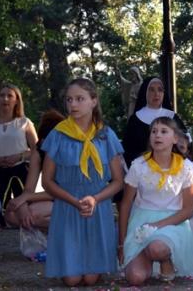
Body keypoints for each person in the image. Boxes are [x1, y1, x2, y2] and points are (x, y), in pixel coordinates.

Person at [41, 78, 124, 287]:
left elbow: (118, 181)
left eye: (80, 99)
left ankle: (94, 263)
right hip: (68, 206)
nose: (73, 105)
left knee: (90, 279)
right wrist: (74, 201)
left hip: (98, 207)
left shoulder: (106, 135)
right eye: (69, 100)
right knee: (72, 280)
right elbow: (47, 181)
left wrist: (95, 199)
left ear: (93, 101)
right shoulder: (58, 134)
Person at [119, 117, 193, 284]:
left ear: (175, 138)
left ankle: (165, 260)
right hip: (141, 222)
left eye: (163, 131)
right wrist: (122, 242)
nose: (157, 135)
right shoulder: (139, 165)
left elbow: (188, 210)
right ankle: (147, 258)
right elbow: (125, 204)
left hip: (173, 223)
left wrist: (156, 226)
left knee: (157, 248)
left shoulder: (185, 167)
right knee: (135, 278)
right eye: (154, 131)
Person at [0, 84, 38, 223]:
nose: (5, 99)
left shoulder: (25, 122)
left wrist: (20, 156)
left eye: (9, 96)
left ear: (16, 100)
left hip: (21, 171)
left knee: (25, 209)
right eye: (2, 95)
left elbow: (37, 151)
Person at [5, 109, 65, 229]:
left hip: (68, 199)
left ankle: (57, 224)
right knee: (10, 214)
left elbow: (63, 192)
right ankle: (49, 223)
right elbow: (28, 189)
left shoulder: (68, 150)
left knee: (32, 215)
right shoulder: (38, 151)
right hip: (50, 199)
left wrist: (26, 198)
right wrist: (22, 205)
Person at [122, 77, 185, 167]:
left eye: (160, 90)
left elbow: (184, 144)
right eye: (151, 90)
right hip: (143, 168)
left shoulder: (172, 117)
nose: (156, 94)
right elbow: (128, 150)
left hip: (172, 167)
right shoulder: (135, 119)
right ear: (145, 92)